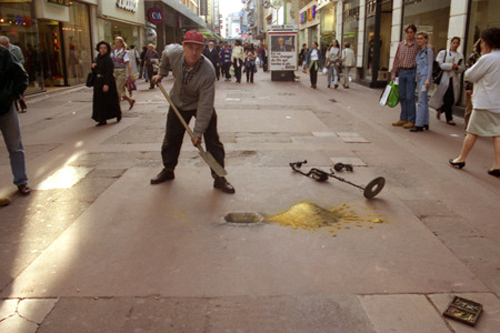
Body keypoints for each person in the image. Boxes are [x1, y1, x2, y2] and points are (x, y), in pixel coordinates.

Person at [150, 30, 235, 193]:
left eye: (198, 48)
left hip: (199, 103)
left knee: (213, 141)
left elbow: (205, 104)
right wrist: (161, 72)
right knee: (171, 138)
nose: (194, 52)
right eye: (191, 48)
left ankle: (219, 177)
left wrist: (197, 133)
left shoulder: (208, 70)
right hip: (178, 102)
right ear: (183, 46)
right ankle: (168, 170)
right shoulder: (174, 53)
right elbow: (165, 53)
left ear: (202, 49)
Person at [449, 28, 500, 177]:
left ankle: (461, 159)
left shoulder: (488, 58)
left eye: (483, 41)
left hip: (485, 102)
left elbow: (470, 75)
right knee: (497, 134)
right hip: (498, 103)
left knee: (472, 132)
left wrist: (482, 58)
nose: (482, 44)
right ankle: (497, 164)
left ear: (488, 42)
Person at [0, 46, 30, 195]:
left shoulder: (3, 54)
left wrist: (11, 95)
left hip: (5, 108)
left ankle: (21, 181)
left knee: (15, 146)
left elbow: (21, 76)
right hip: (6, 104)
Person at [429, 37, 465, 125]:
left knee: (453, 99)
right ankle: (449, 118)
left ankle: (441, 109)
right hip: (445, 78)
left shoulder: (460, 55)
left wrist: (457, 68)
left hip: (454, 78)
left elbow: (462, 68)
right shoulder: (443, 53)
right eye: (454, 43)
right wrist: (451, 66)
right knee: (447, 97)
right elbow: (439, 64)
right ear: (450, 43)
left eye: (457, 43)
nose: (455, 45)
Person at [391, 24, 419, 129]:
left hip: (411, 72)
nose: (409, 34)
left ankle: (412, 120)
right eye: (407, 32)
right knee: (402, 96)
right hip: (402, 72)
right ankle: (403, 118)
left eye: (411, 32)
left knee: (410, 97)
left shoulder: (417, 45)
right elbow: (397, 58)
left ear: (414, 33)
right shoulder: (401, 44)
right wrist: (394, 72)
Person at [91, 41, 121, 127]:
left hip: (107, 81)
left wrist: (106, 84)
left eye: (104, 48)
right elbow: (96, 71)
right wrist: (93, 67)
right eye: (101, 48)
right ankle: (101, 119)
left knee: (110, 100)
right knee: (99, 101)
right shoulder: (97, 58)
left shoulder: (108, 59)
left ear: (107, 49)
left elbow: (109, 72)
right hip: (98, 82)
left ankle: (117, 114)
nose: (102, 50)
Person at [410, 32, 433, 132]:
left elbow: (430, 65)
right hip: (419, 77)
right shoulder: (419, 51)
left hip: (425, 78)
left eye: (421, 38)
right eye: (418, 38)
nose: (419, 40)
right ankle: (425, 122)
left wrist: (428, 78)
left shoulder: (428, 51)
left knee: (421, 100)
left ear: (426, 39)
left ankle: (419, 124)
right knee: (423, 100)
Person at [0, 36, 27, 113]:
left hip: (14, 75)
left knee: (19, 94)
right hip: (7, 79)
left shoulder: (15, 49)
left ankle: (23, 106)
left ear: (7, 43)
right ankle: (15, 108)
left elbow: (21, 60)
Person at [111, 36, 135, 110]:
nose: (116, 44)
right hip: (114, 71)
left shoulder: (124, 52)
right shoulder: (113, 52)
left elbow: (128, 64)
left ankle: (117, 108)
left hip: (121, 71)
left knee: (118, 90)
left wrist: (130, 75)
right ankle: (130, 100)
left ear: (121, 44)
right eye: (115, 42)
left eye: (118, 42)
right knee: (117, 90)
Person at [464, 39, 481, 129]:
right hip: (473, 85)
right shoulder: (474, 56)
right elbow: (468, 71)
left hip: (483, 86)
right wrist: (468, 87)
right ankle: (468, 127)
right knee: (470, 108)